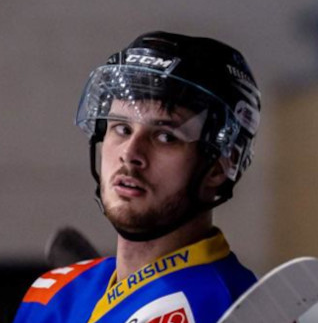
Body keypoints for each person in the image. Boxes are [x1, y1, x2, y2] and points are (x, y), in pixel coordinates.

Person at [15, 31, 262, 323]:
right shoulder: (56, 294)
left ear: (219, 166)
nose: (131, 153)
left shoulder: (230, 307)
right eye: (122, 128)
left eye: (165, 136)